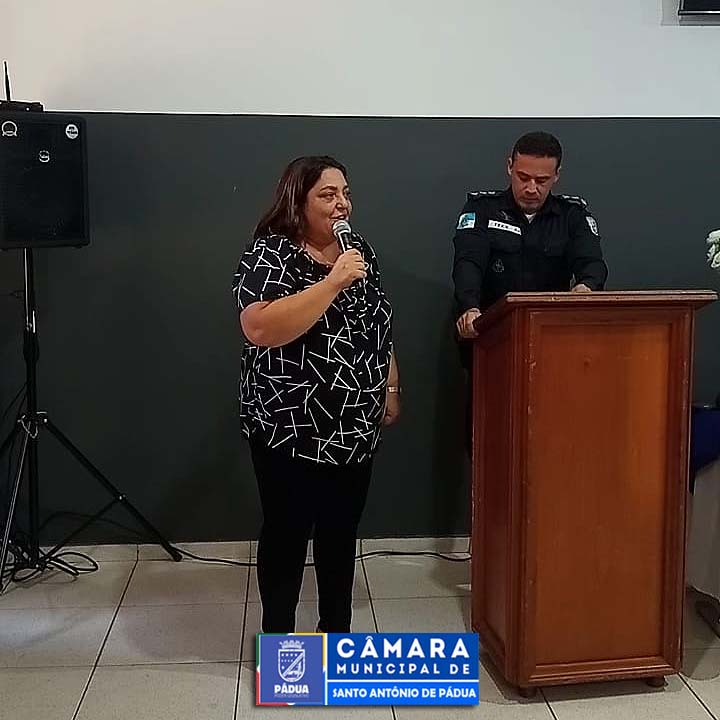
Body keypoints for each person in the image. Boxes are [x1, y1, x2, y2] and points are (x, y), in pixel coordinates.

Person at [232, 156, 400, 633]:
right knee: (286, 537)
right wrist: (332, 283)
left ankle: (335, 638)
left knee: (340, 535)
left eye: (345, 193)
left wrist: (390, 383)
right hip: (289, 426)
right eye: (328, 195)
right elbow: (260, 327)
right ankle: (281, 643)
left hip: (353, 425)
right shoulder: (270, 253)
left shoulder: (358, 251)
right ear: (298, 201)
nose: (341, 203)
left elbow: (377, 323)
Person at [452, 131, 608, 340]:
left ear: (557, 175)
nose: (531, 189)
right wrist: (470, 307)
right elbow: (468, 263)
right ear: (510, 167)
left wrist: (586, 287)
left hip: (552, 333)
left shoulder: (572, 215)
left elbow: (592, 263)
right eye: (523, 178)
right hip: (491, 331)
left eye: (542, 180)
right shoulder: (482, 210)